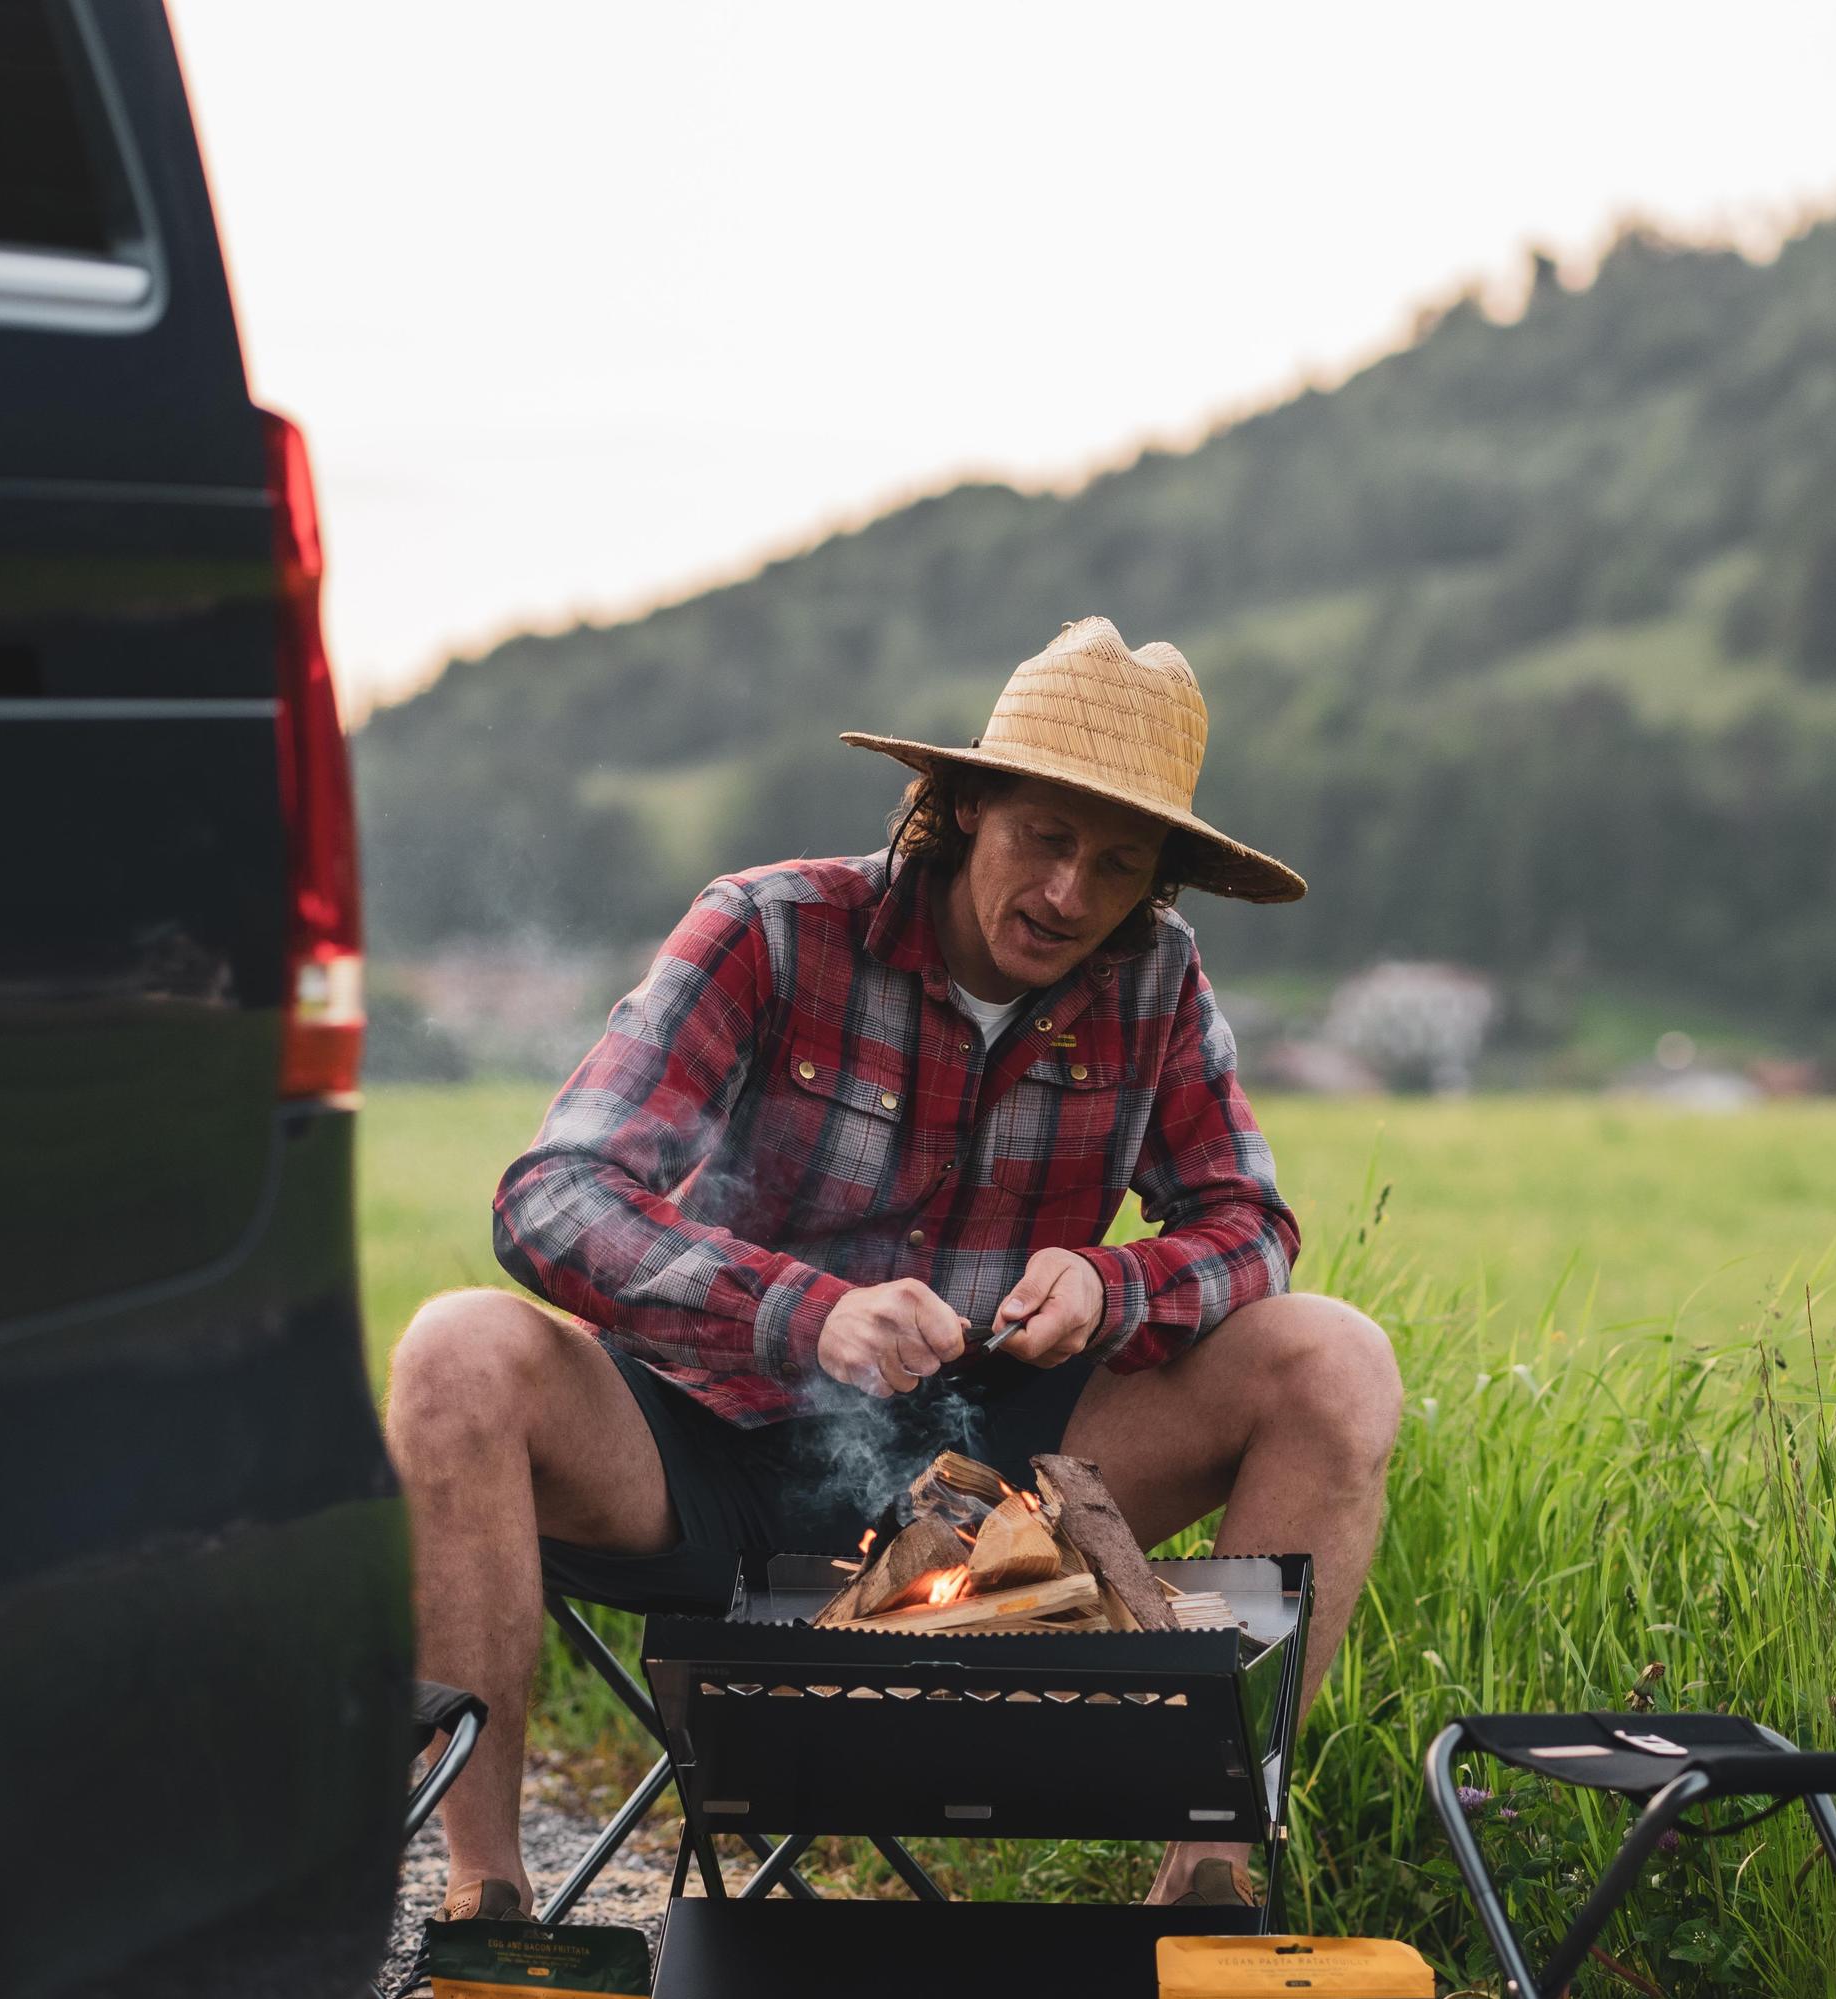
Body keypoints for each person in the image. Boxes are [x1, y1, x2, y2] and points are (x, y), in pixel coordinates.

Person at [385, 618, 1401, 1917]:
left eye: (1119, 865)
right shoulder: (767, 928)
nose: (1069, 896)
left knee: (1337, 1359)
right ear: (965, 806)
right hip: (710, 1458)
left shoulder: (1157, 978)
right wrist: (804, 1313)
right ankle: (490, 1903)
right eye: (1046, 838)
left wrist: (1113, 1284)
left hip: (986, 1509)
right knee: (456, 1349)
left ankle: (1206, 1886)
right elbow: (553, 1198)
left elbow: (1250, 1224)